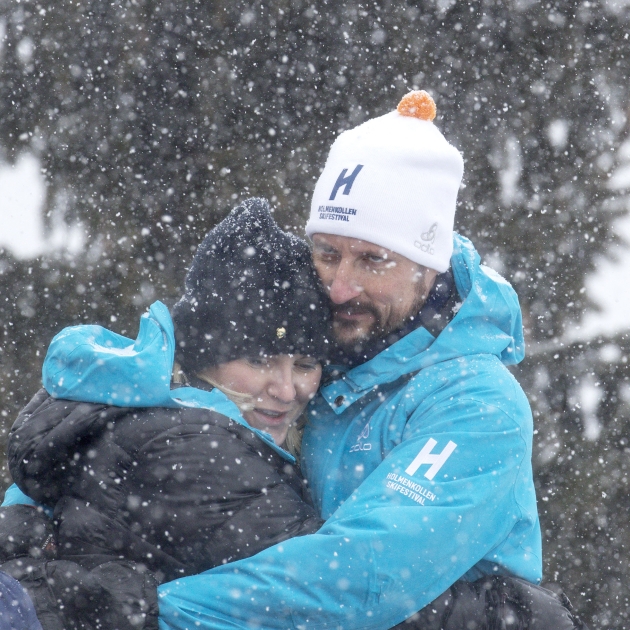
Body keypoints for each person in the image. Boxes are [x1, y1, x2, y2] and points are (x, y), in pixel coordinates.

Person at [154, 92, 587, 629]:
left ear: (427, 266)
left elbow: (367, 576)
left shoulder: (475, 402)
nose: (339, 288)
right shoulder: (316, 364)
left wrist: (155, 612)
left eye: (372, 259)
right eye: (328, 254)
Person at [0, 199, 330, 629]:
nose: (287, 390)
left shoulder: (139, 410)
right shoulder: (199, 451)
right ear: (201, 358)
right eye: (258, 360)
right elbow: (345, 591)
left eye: (305, 364)